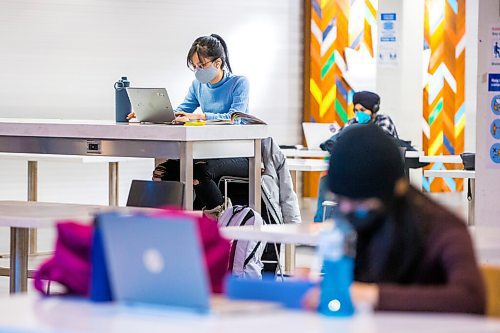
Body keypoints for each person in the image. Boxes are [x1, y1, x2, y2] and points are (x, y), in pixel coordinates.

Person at [304, 125, 485, 314]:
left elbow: (470, 298)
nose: (347, 209)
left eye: (359, 202)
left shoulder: (441, 227)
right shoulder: (357, 220)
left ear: (394, 189)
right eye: (341, 200)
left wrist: (369, 295)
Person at [135, 34, 250, 218]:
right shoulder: (198, 85)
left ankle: (222, 221)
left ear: (218, 62)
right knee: (164, 171)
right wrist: (150, 112)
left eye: (201, 65)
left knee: (199, 171)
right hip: (209, 152)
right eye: (195, 66)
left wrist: (200, 117)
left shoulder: (239, 83)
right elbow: (182, 111)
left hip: (239, 155)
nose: (197, 70)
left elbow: (235, 117)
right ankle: (166, 224)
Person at [313, 91, 398, 222]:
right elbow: (338, 143)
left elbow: (379, 142)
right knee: (326, 177)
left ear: (374, 110)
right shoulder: (352, 122)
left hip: (377, 172)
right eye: (356, 110)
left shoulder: (384, 121)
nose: (359, 114)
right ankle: (322, 222)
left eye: (363, 110)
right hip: (354, 170)